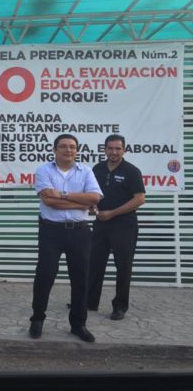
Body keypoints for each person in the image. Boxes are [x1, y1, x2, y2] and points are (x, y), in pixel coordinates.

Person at [29, 134, 102, 342]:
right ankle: (37, 319)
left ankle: (78, 324)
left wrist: (60, 195)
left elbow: (95, 198)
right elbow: (49, 202)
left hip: (79, 231)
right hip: (51, 231)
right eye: (63, 147)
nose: (68, 150)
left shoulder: (86, 171)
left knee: (80, 278)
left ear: (77, 150)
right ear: (55, 150)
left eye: (72, 147)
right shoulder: (44, 170)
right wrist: (81, 203)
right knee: (45, 275)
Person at [87, 134, 145, 321]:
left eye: (118, 148)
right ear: (104, 149)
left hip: (124, 225)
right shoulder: (97, 169)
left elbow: (139, 199)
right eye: (110, 148)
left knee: (123, 267)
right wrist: (93, 208)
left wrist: (112, 213)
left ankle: (120, 306)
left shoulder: (131, 171)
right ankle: (90, 301)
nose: (114, 152)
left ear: (124, 150)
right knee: (94, 263)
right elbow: (92, 194)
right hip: (101, 224)